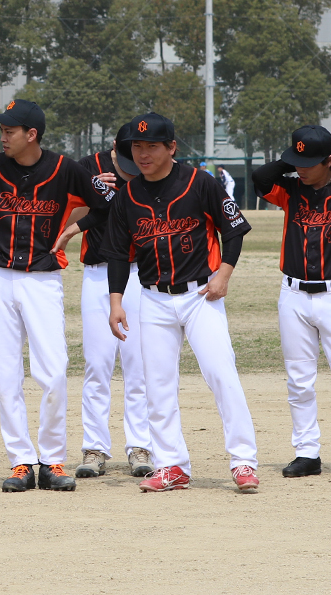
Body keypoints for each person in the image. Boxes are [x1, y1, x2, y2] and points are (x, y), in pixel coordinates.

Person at [0, 100, 112, 493]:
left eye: (9, 130)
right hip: (1, 278)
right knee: (7, 375)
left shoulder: (65, 169)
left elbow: (108, 204)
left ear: (31, 134)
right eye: (1, 130)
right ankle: (21, 461)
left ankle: (51, 460)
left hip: (43, 280)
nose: (2, 136)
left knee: (52, 373)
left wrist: (74, 229)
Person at [103, 112, 260, 493]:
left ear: (171, 147)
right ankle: (172, 465)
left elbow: (233, 228)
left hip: (199, 295)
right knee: (157, 385)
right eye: (136, 147)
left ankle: (243, 461)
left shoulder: (198, 183)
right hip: (153, 300)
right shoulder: (128, 196)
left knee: (221, 373)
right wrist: (116, 302)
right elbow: (118, 254)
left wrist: (224, 272)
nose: (143, 154)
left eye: (151, 146)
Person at [250, 125, 331, 478]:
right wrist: (289, 160)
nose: (301, 169)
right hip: (292, 296)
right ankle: (307, 453)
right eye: (297, 161)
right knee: (299, 380)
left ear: (329, 160)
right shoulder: (289, 190)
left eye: (310, 162)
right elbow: (260, 178)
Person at [72, 124, 153, 479]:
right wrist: (96, 195)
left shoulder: (151, 172)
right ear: (116, 151)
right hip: (97, 273)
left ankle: (140, 446)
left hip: (140, 274)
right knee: (98, 363)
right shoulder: (87, 169)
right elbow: (69, 218)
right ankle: (94, 448)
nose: (138, 162)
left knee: (138, 363)